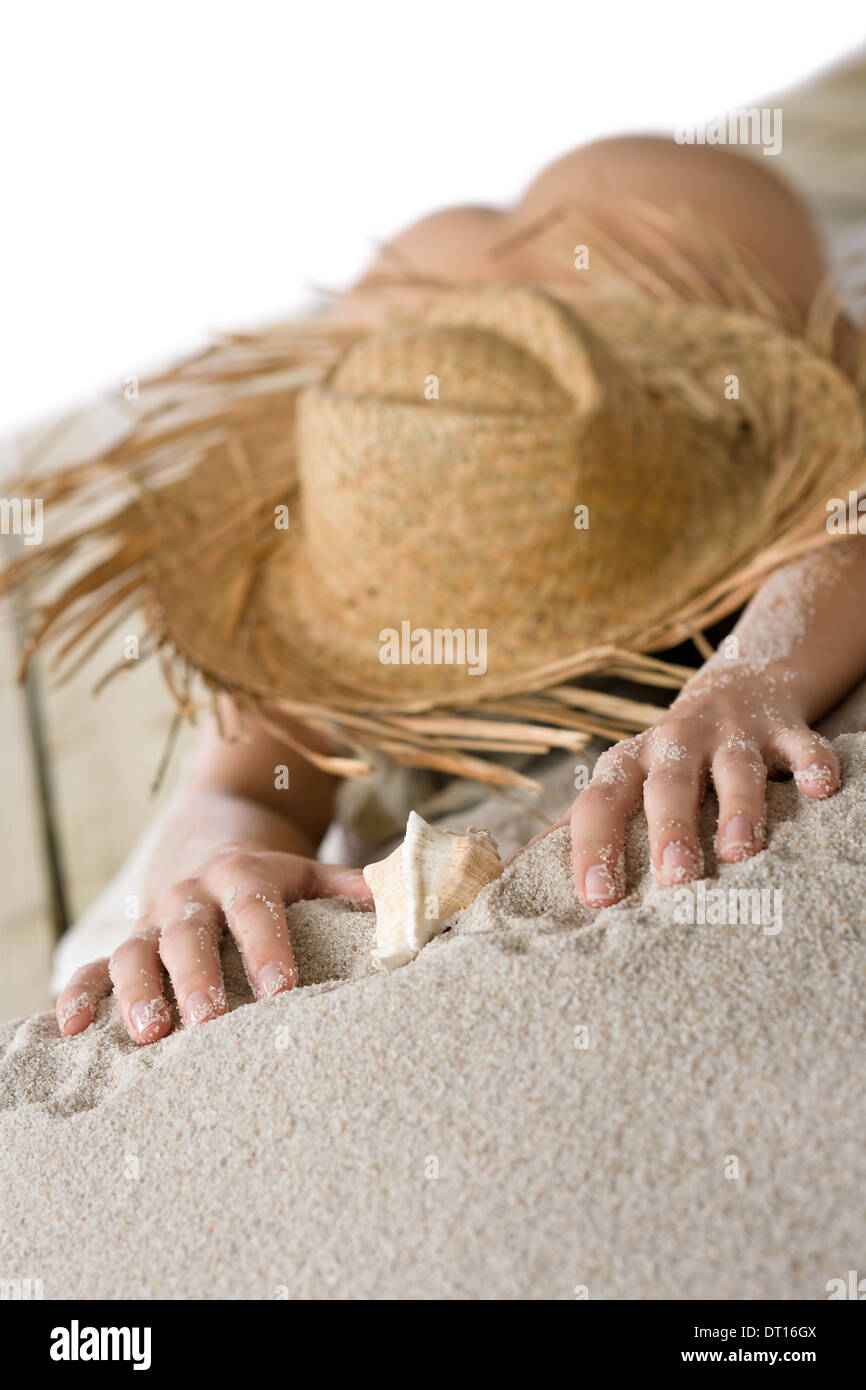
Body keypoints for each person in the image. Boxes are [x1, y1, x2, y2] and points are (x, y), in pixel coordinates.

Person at [40, 136, 866, 1043]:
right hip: (411, 327)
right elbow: (241, 784)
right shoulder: (360, 541)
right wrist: (216, 857)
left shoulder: (710, 396)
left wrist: (746, 678)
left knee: (751, 273)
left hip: (662, 238)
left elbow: (850, 498)